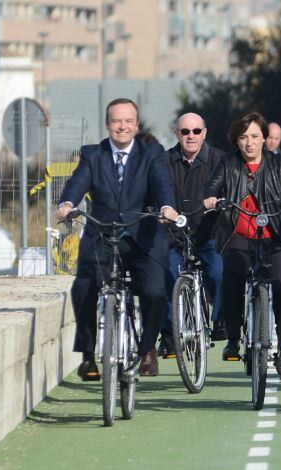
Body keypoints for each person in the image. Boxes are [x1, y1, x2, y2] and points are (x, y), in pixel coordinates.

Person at [57, 98, 179, 380]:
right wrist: (66, 203)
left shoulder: (152, 153)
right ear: (107, 124)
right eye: (116, 121)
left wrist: (167, 207)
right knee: (84, 286)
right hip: (102, 234)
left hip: (142, 235)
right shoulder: (92, 154)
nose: (122, 127)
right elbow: (77, 182)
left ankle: (147, 348)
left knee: (154, 292)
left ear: (136, 125)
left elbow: (162, 183)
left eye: (128, 121)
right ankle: (88, 355)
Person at [202, 112, 281, 377]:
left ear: (265, 138)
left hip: (275, 233)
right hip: (238, 235)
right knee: (230, 278)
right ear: (236, 141)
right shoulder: (228, 163)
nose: (249, 143)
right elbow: (212, 186)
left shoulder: (277, 163)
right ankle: (233, 338)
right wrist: (209, 198)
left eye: (254, 136)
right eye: (243, 138)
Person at [160, 112, 226, 358]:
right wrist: (161, 210)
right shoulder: (164, 161)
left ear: (204, 133)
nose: (191, 136)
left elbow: (232, 190)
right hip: (173, 236)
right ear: (177, 133)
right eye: (185, 131)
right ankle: (168, 333)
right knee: (166, 274)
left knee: (218, 273)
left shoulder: (220, 160)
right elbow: (155, 191)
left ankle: (221, 320)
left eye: (196, 131)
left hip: (208, 234)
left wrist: (220, 201)